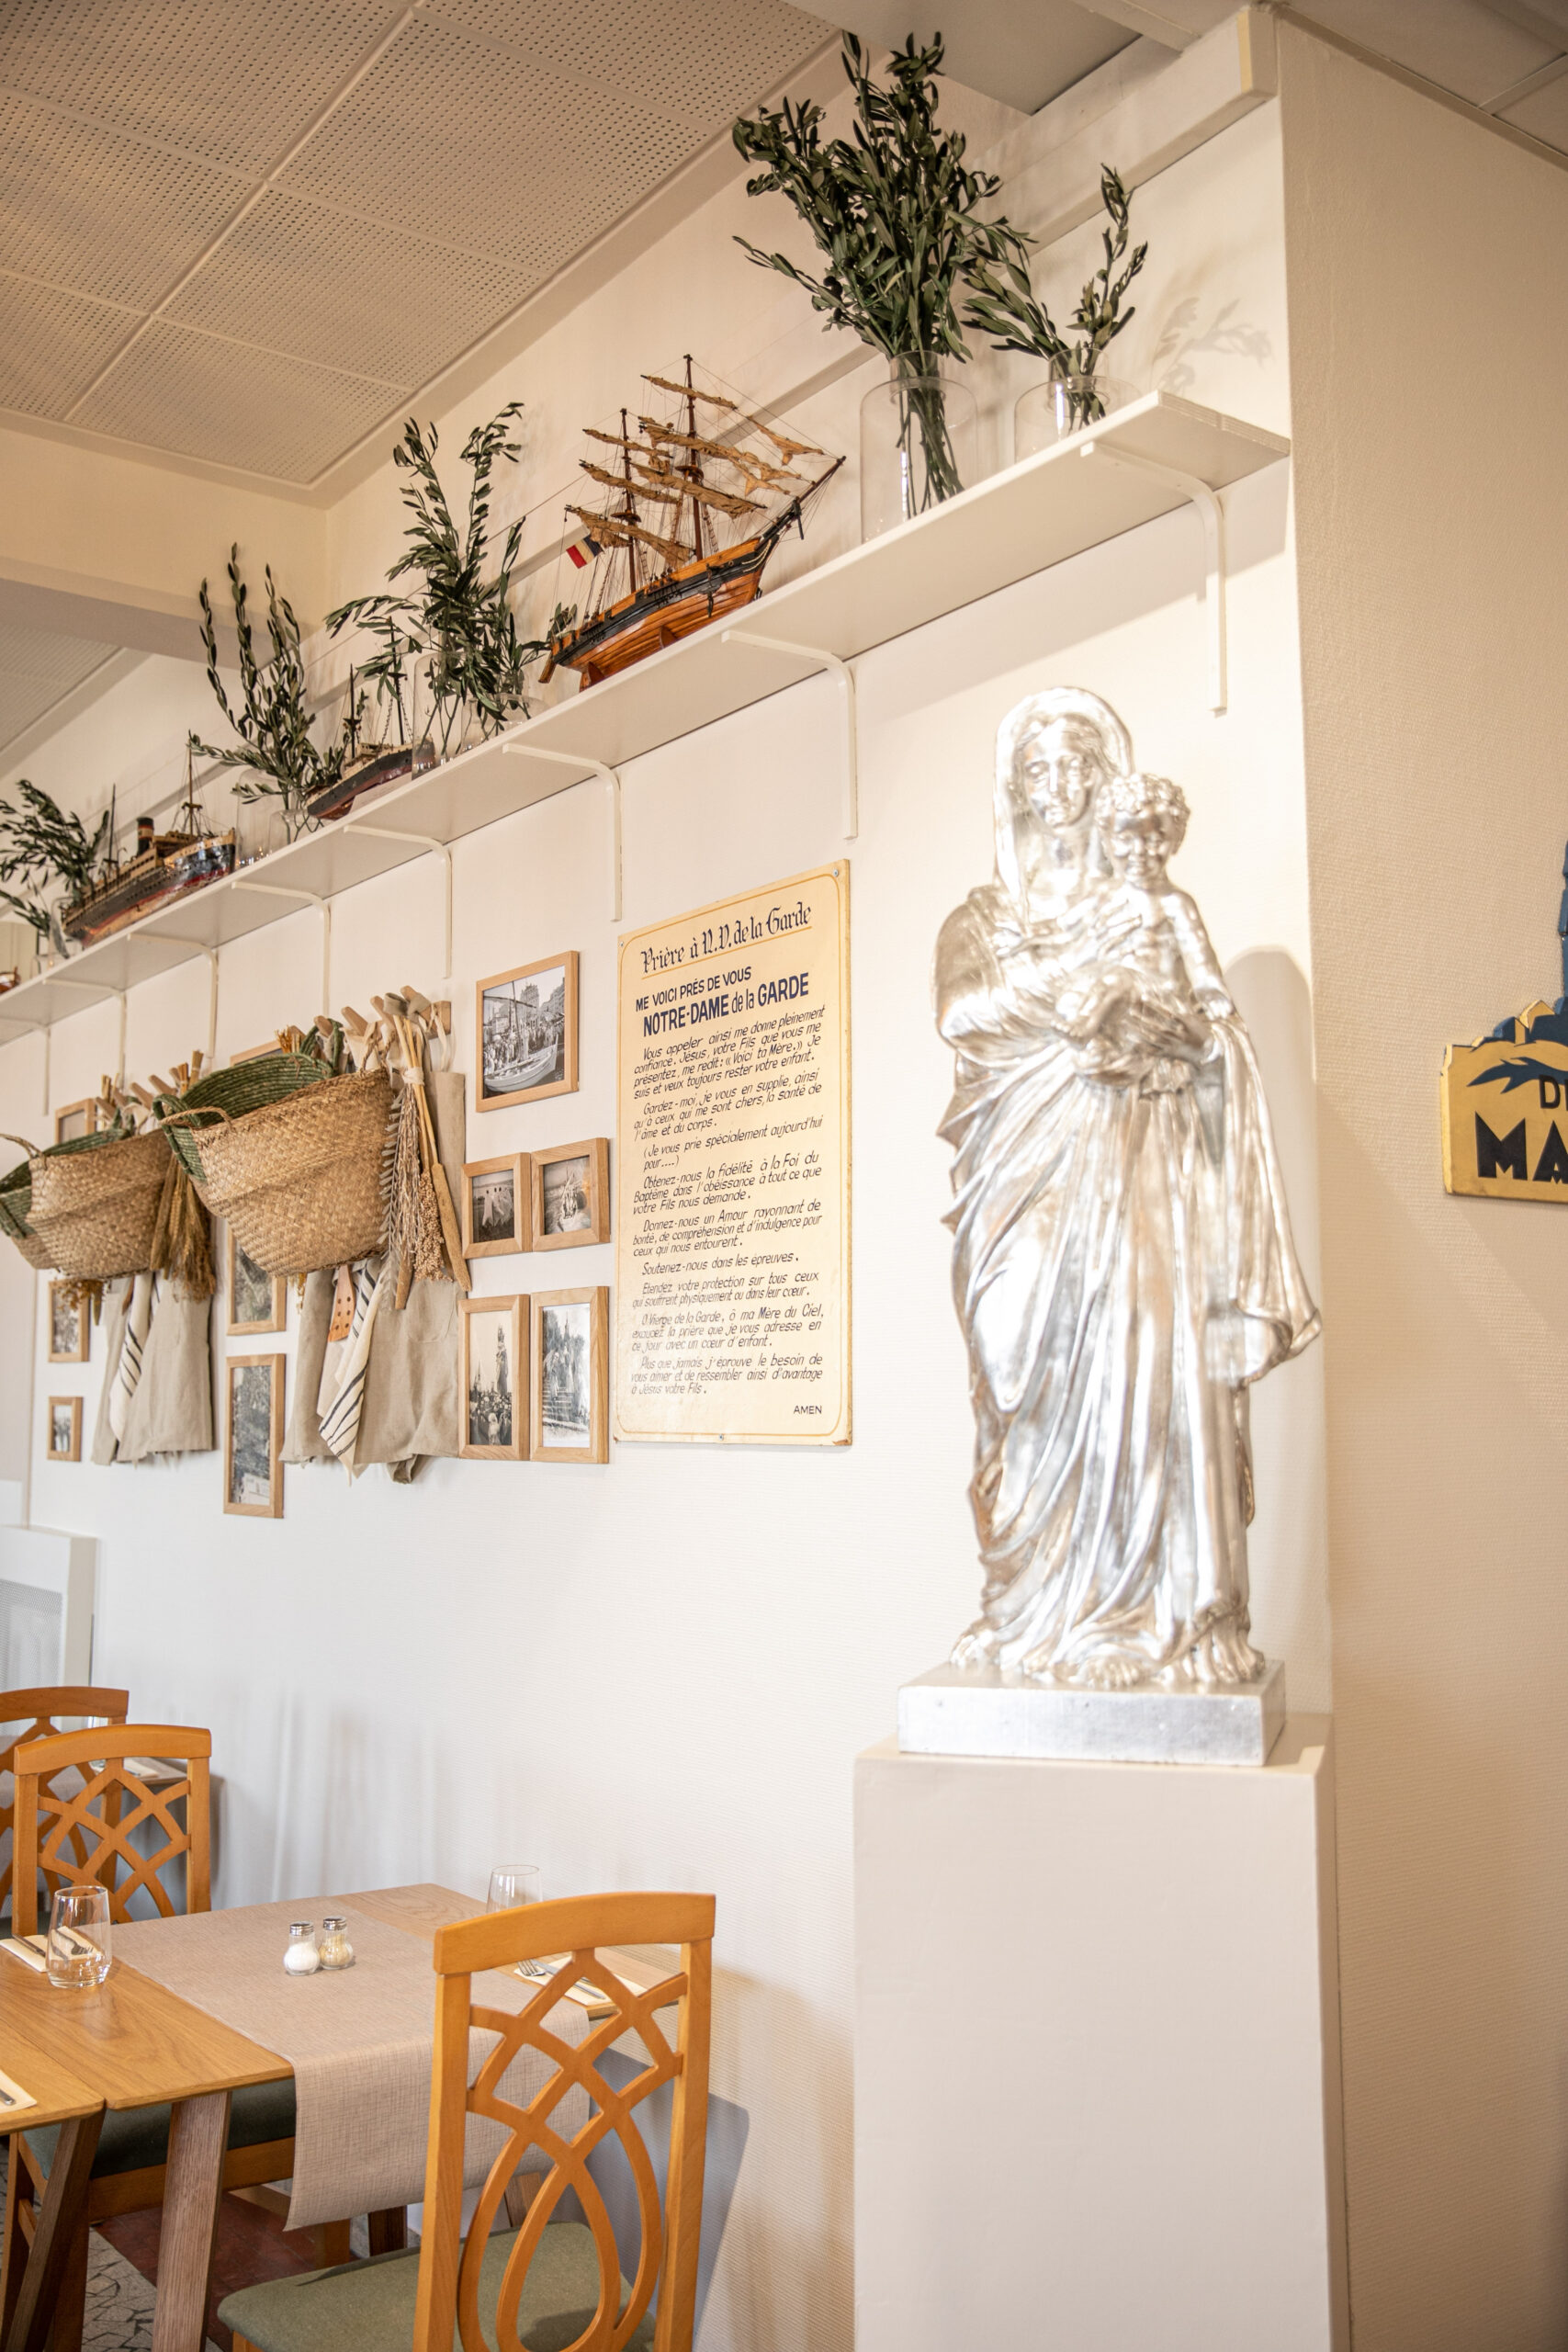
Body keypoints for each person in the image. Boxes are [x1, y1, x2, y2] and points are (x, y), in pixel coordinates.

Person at [934, 692, 1319, 1690]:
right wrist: (1068, 997)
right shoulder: (983, 917)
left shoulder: (1158, 911)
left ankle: (1146, 1615)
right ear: (1013, 794)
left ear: (1106, 785)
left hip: (1138, 1164)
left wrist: (1167, 1031)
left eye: (1074, 766)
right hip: (1020, 1173)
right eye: (1037, 772)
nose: (1055, 787)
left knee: (1141, 1370)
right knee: (1019, 1370)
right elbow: (961, 1010)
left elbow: (1213, 1030)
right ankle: (1026, 1614)